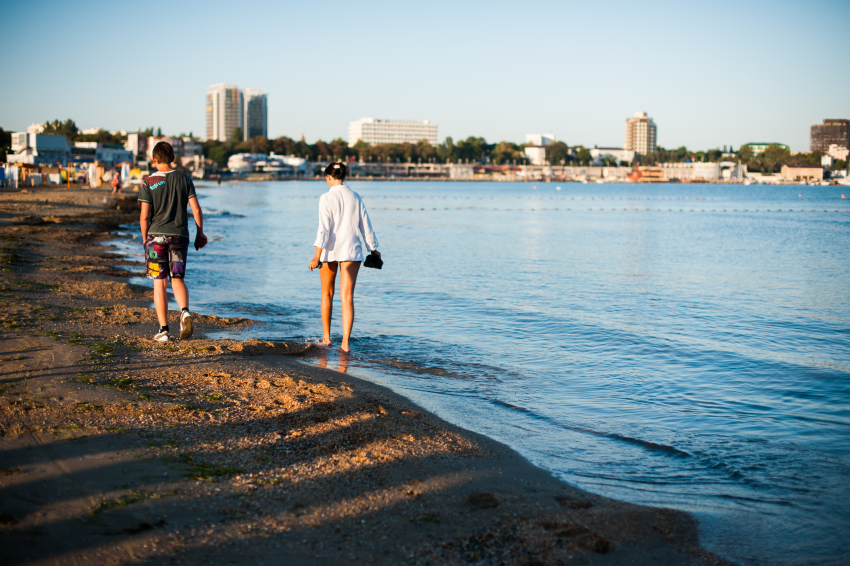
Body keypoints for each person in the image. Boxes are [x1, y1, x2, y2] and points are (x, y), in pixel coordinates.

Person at [139, 142, 207, 343]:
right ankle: (185, 312)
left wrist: (145, 240)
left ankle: (164, 330)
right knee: (177, 278)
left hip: (156, 238)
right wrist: (200, 233)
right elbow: (196, 209)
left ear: (154, 159)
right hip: (179, 236)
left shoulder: (148, 182)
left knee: (159, 283)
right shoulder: (184, 179)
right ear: (173, 158)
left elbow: (144, 217)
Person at [308, 162, 380, 352]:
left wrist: (316, 256)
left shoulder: (325, 198)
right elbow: (366, 225)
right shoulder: (355, 197)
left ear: (328, 177)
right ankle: (345, 343)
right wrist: (373, 249)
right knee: (347, 297)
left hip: (330, 251)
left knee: (327, 294)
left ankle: (326, 338)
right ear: (344, 176)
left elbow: (323, 228)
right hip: (351, 250)